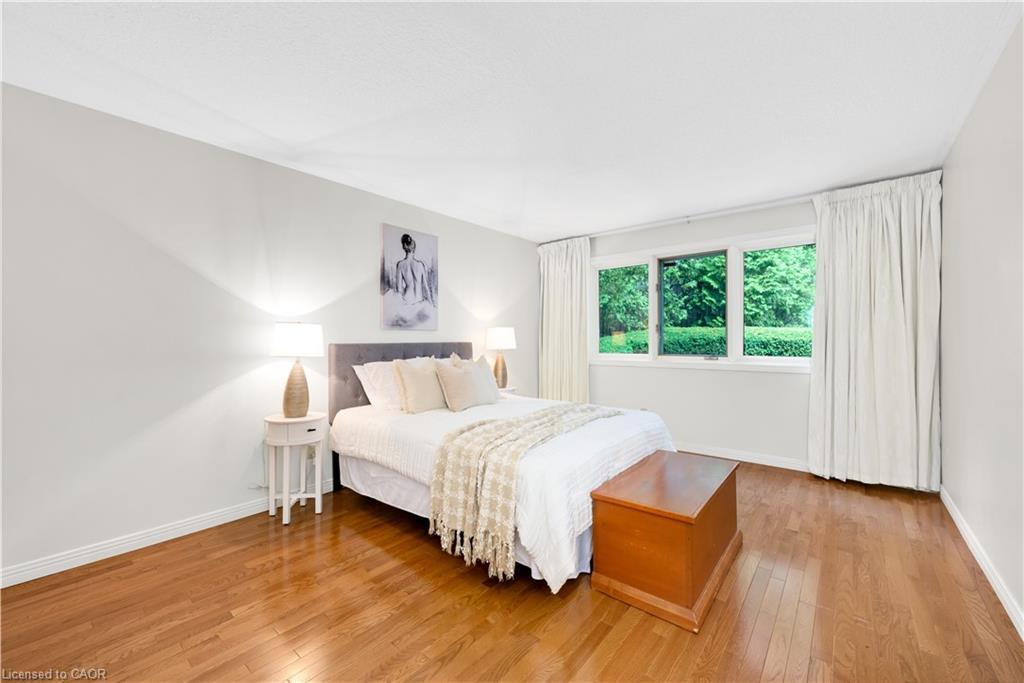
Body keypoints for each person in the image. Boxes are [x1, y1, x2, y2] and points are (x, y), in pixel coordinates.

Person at [395, 233, 435, 306]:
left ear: (404, 248)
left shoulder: (400, 265)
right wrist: (431, 305)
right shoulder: (420, 265)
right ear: (414, 248)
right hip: (419, 302)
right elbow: (426, 288)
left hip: (407, 301)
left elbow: (399, 289)